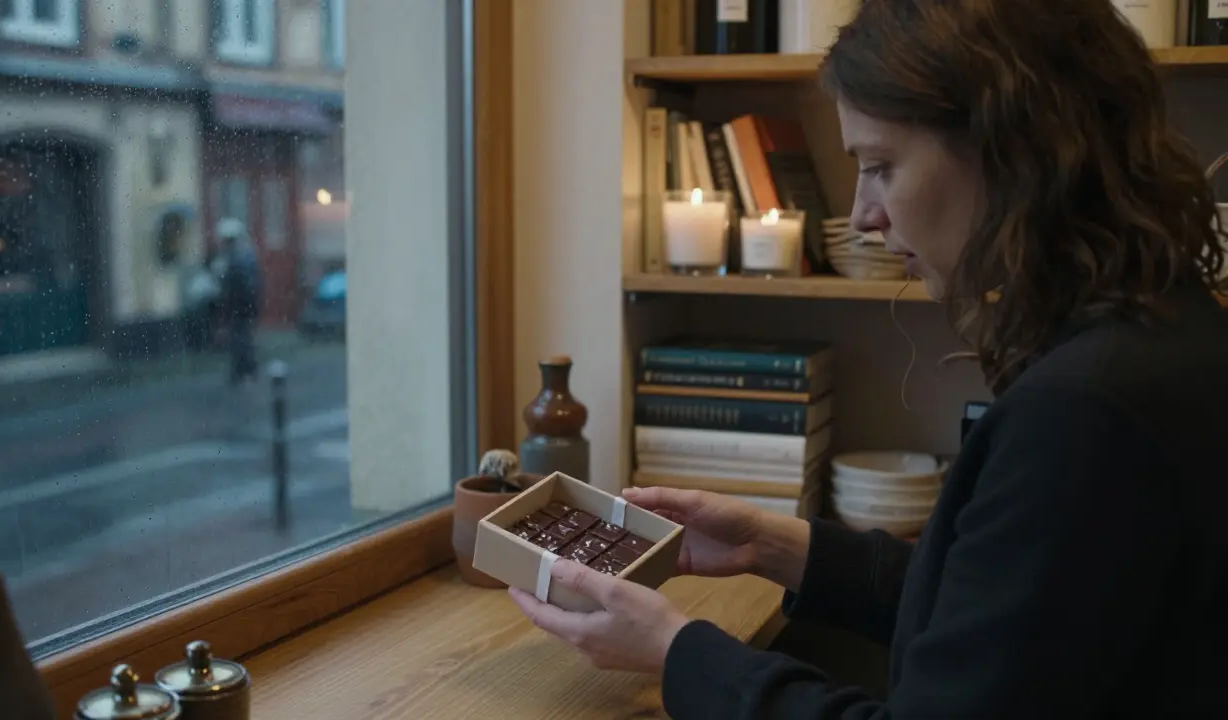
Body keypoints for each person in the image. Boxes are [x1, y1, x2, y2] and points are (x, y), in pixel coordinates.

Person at [509, 1, 1228, 717]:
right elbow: (1007, 622)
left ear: (1014, 152)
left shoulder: (1083, 414)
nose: (861, 215)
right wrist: (774, 544)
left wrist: (676, 651)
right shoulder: (1164, 331)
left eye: (880, 166)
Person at [214, 217, 262, 385]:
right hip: (244, 303)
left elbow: (234, 283)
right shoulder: (245, 254)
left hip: (239, 304)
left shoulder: (235, 258)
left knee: (239, 337)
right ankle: (246, 369)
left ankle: (243, 370)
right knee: (243, 336)